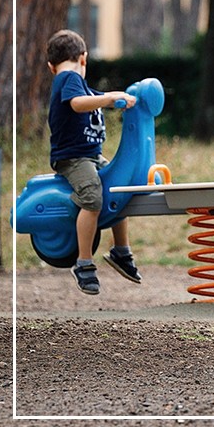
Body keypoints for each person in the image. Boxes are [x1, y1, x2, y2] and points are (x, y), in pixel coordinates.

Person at [46, 29, 141, 295]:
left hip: (90, 157)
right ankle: (84, 263)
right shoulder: (70, 78)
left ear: (50, 65)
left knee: (118, 187)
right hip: (73, 159)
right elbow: (77, 104)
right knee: (93, 196)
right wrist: (110, 98)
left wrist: (117, 99)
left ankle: (121, 251)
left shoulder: (75, 81)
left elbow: (87, 97)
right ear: (84, 58)